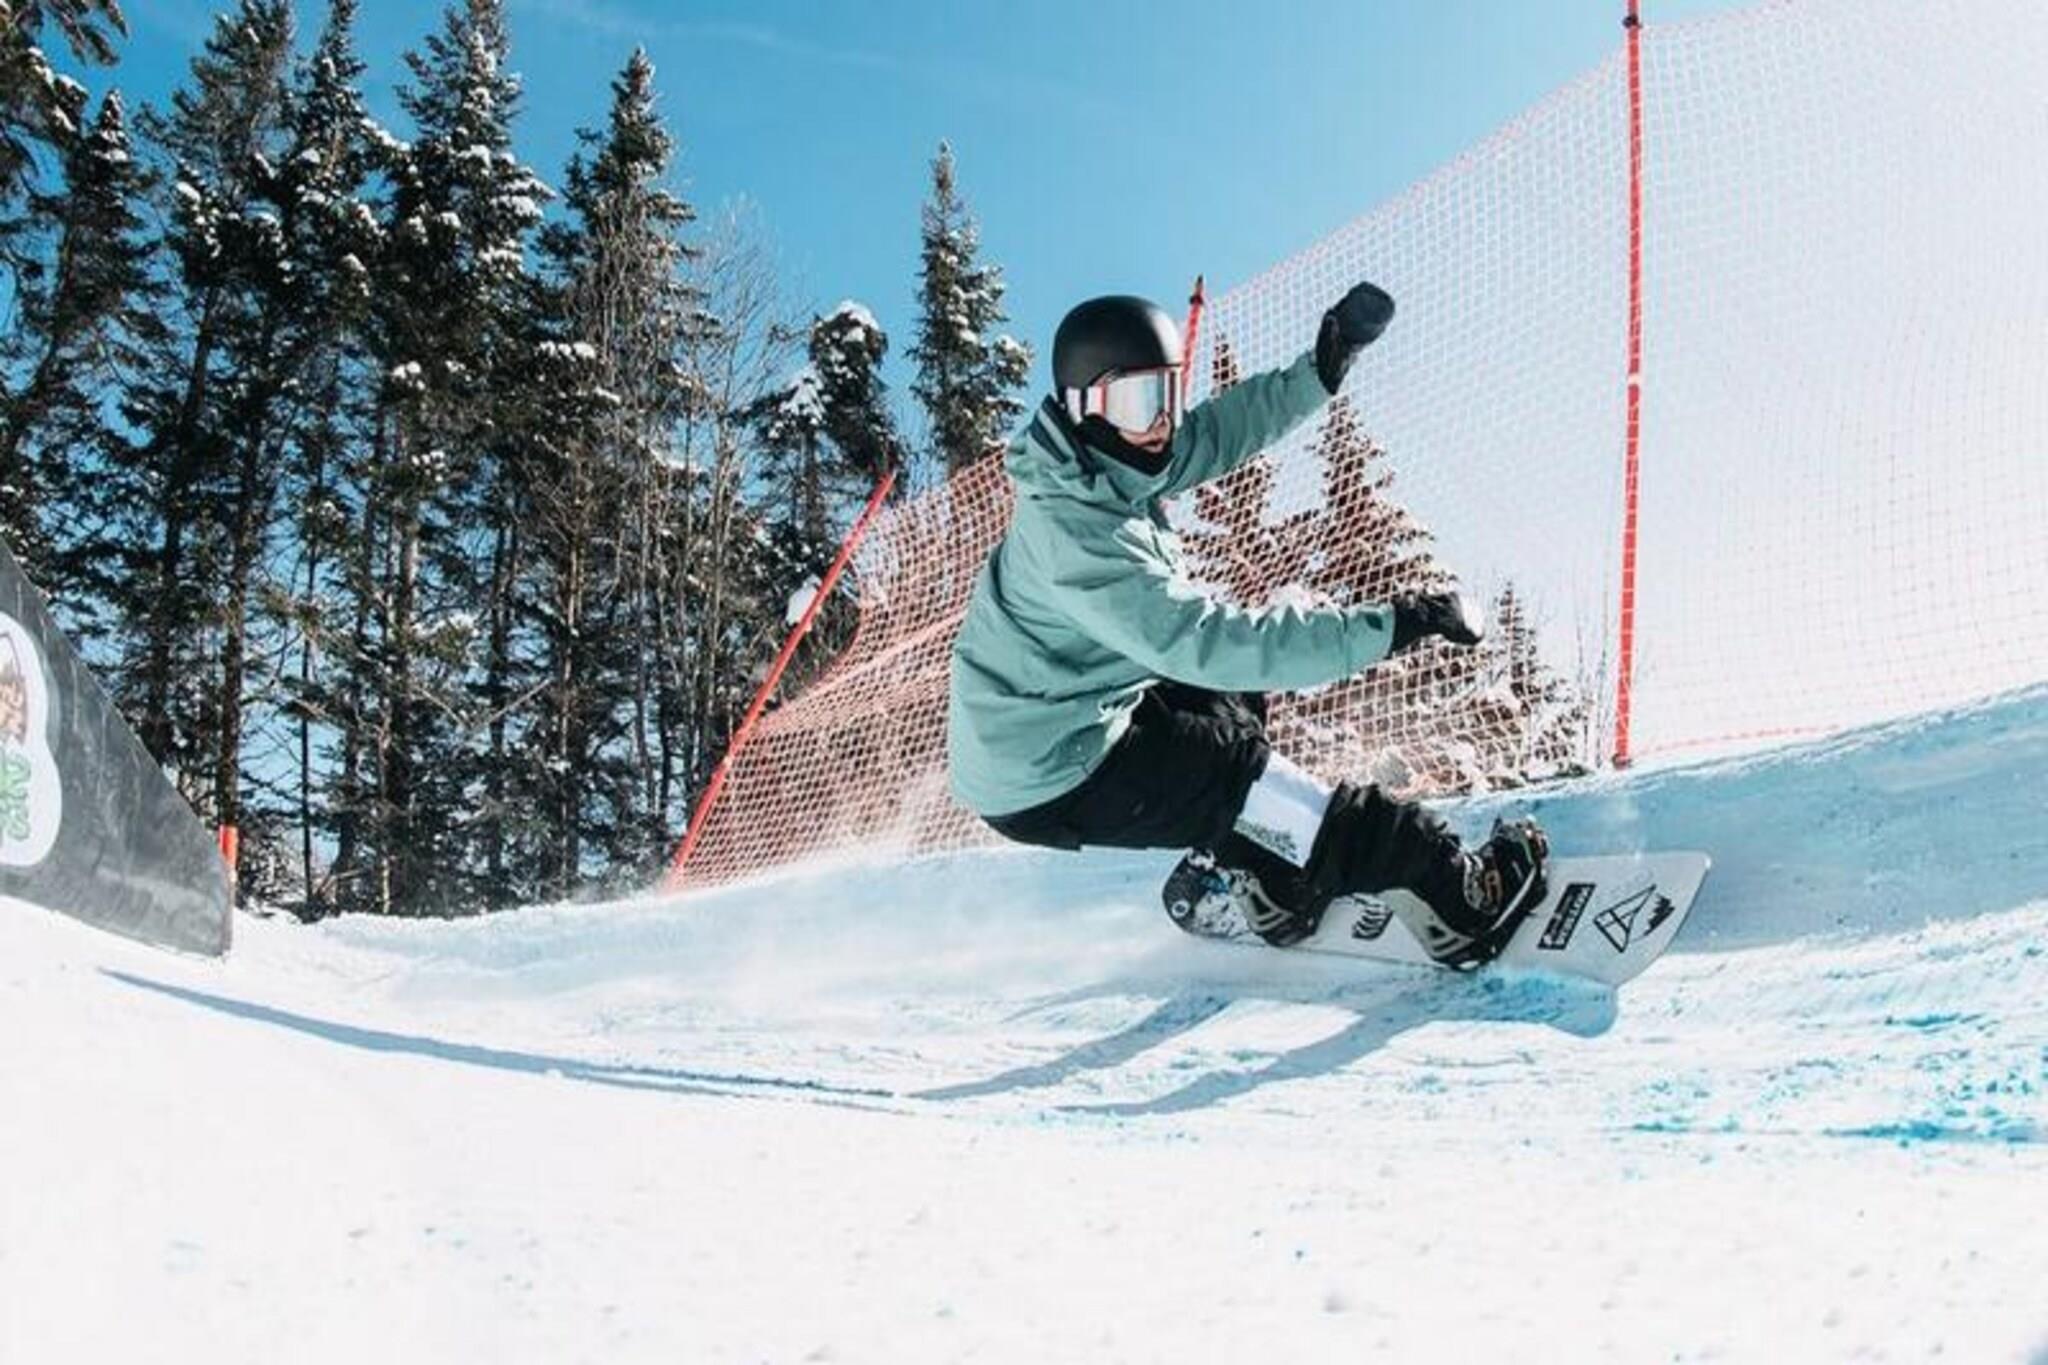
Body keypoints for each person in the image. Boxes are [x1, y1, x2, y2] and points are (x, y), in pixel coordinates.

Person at [945, 285, 1547, 967]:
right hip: (1045, 770)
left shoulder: (1101, 463)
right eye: (1138, 403)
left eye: (1166, 394)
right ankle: (1456, 898)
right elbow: (1214, 642)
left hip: (1068, 710)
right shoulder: (1080, 536)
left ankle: (1267, 880)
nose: (1161, 423)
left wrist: (1319, 371)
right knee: (1240, 776)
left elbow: (1215, 433)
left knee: (1226, 703)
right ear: (1085, 405)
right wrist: (1389, 626)